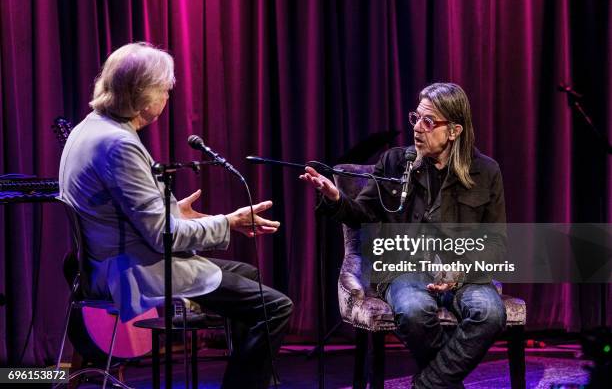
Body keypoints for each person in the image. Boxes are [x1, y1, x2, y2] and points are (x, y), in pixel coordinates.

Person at [59, 42, 292, 388]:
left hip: (111, 260)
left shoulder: (89, 128)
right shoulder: (118, 144)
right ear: (144, 94)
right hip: (133, 269)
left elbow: (122, 212)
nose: (168, 98)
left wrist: (173, 210)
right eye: (166, 91)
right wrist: (229, 222)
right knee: (276, 307)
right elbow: (164, 237)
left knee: (249, 275)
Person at [300, 83, 506, 388]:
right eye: (415, 118)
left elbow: (497, 243)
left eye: (428, 121)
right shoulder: (395, 163)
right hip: (404, 270)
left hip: (462, 272)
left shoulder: (486, 171)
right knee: (412, 310)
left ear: (454, 131)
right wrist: (335, 198)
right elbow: (362, 215)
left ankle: (426, 384)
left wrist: (461, 271)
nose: (417, 129)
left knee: (490, 313)